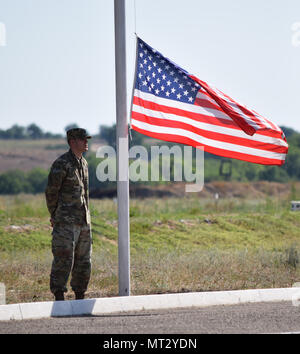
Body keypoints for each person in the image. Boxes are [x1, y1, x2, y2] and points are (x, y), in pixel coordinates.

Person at [45, 128, 92, 301]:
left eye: (86, 139)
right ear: (72, 142)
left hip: (83, 221)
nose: (86, 142)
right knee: (64, 259)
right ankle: (59, 295)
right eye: (82, 139)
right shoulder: (62, 163)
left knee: (84, 260)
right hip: (65, 222)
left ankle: (80, 293)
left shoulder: (84, 164)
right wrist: (55, 214)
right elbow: (51, 192)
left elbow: (84, 194)